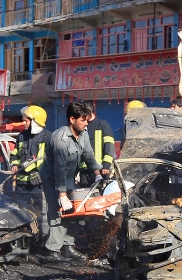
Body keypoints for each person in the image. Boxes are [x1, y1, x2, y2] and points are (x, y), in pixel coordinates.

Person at [40, 102, 100, 263]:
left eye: (88, 120)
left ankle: (68, 247)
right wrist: (62, 195)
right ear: (72, 119)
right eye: (83, 120)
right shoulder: (60, 139)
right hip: (53, 178)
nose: (87, 123)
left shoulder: (83, 134)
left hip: (69, 177)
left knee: (75, 211)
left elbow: (89, 156)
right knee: (58, 211)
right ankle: (52, 251)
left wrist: (98, 174)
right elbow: (59, 169)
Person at [11, 105, 51, 191]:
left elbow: (51, 161)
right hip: (21, 184)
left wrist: (37, 172)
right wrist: (14, 164)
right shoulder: (21, 136)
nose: (23, 123)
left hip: (39, 183)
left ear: (35, 122)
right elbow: (14, 154)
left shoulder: (48, 137)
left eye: (26, 121)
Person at [80, 102, 115, 183]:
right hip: (84, 170)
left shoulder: (102, 125)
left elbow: (109, 146)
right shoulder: (81, 126)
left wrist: (106, 165)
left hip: (100, 169)